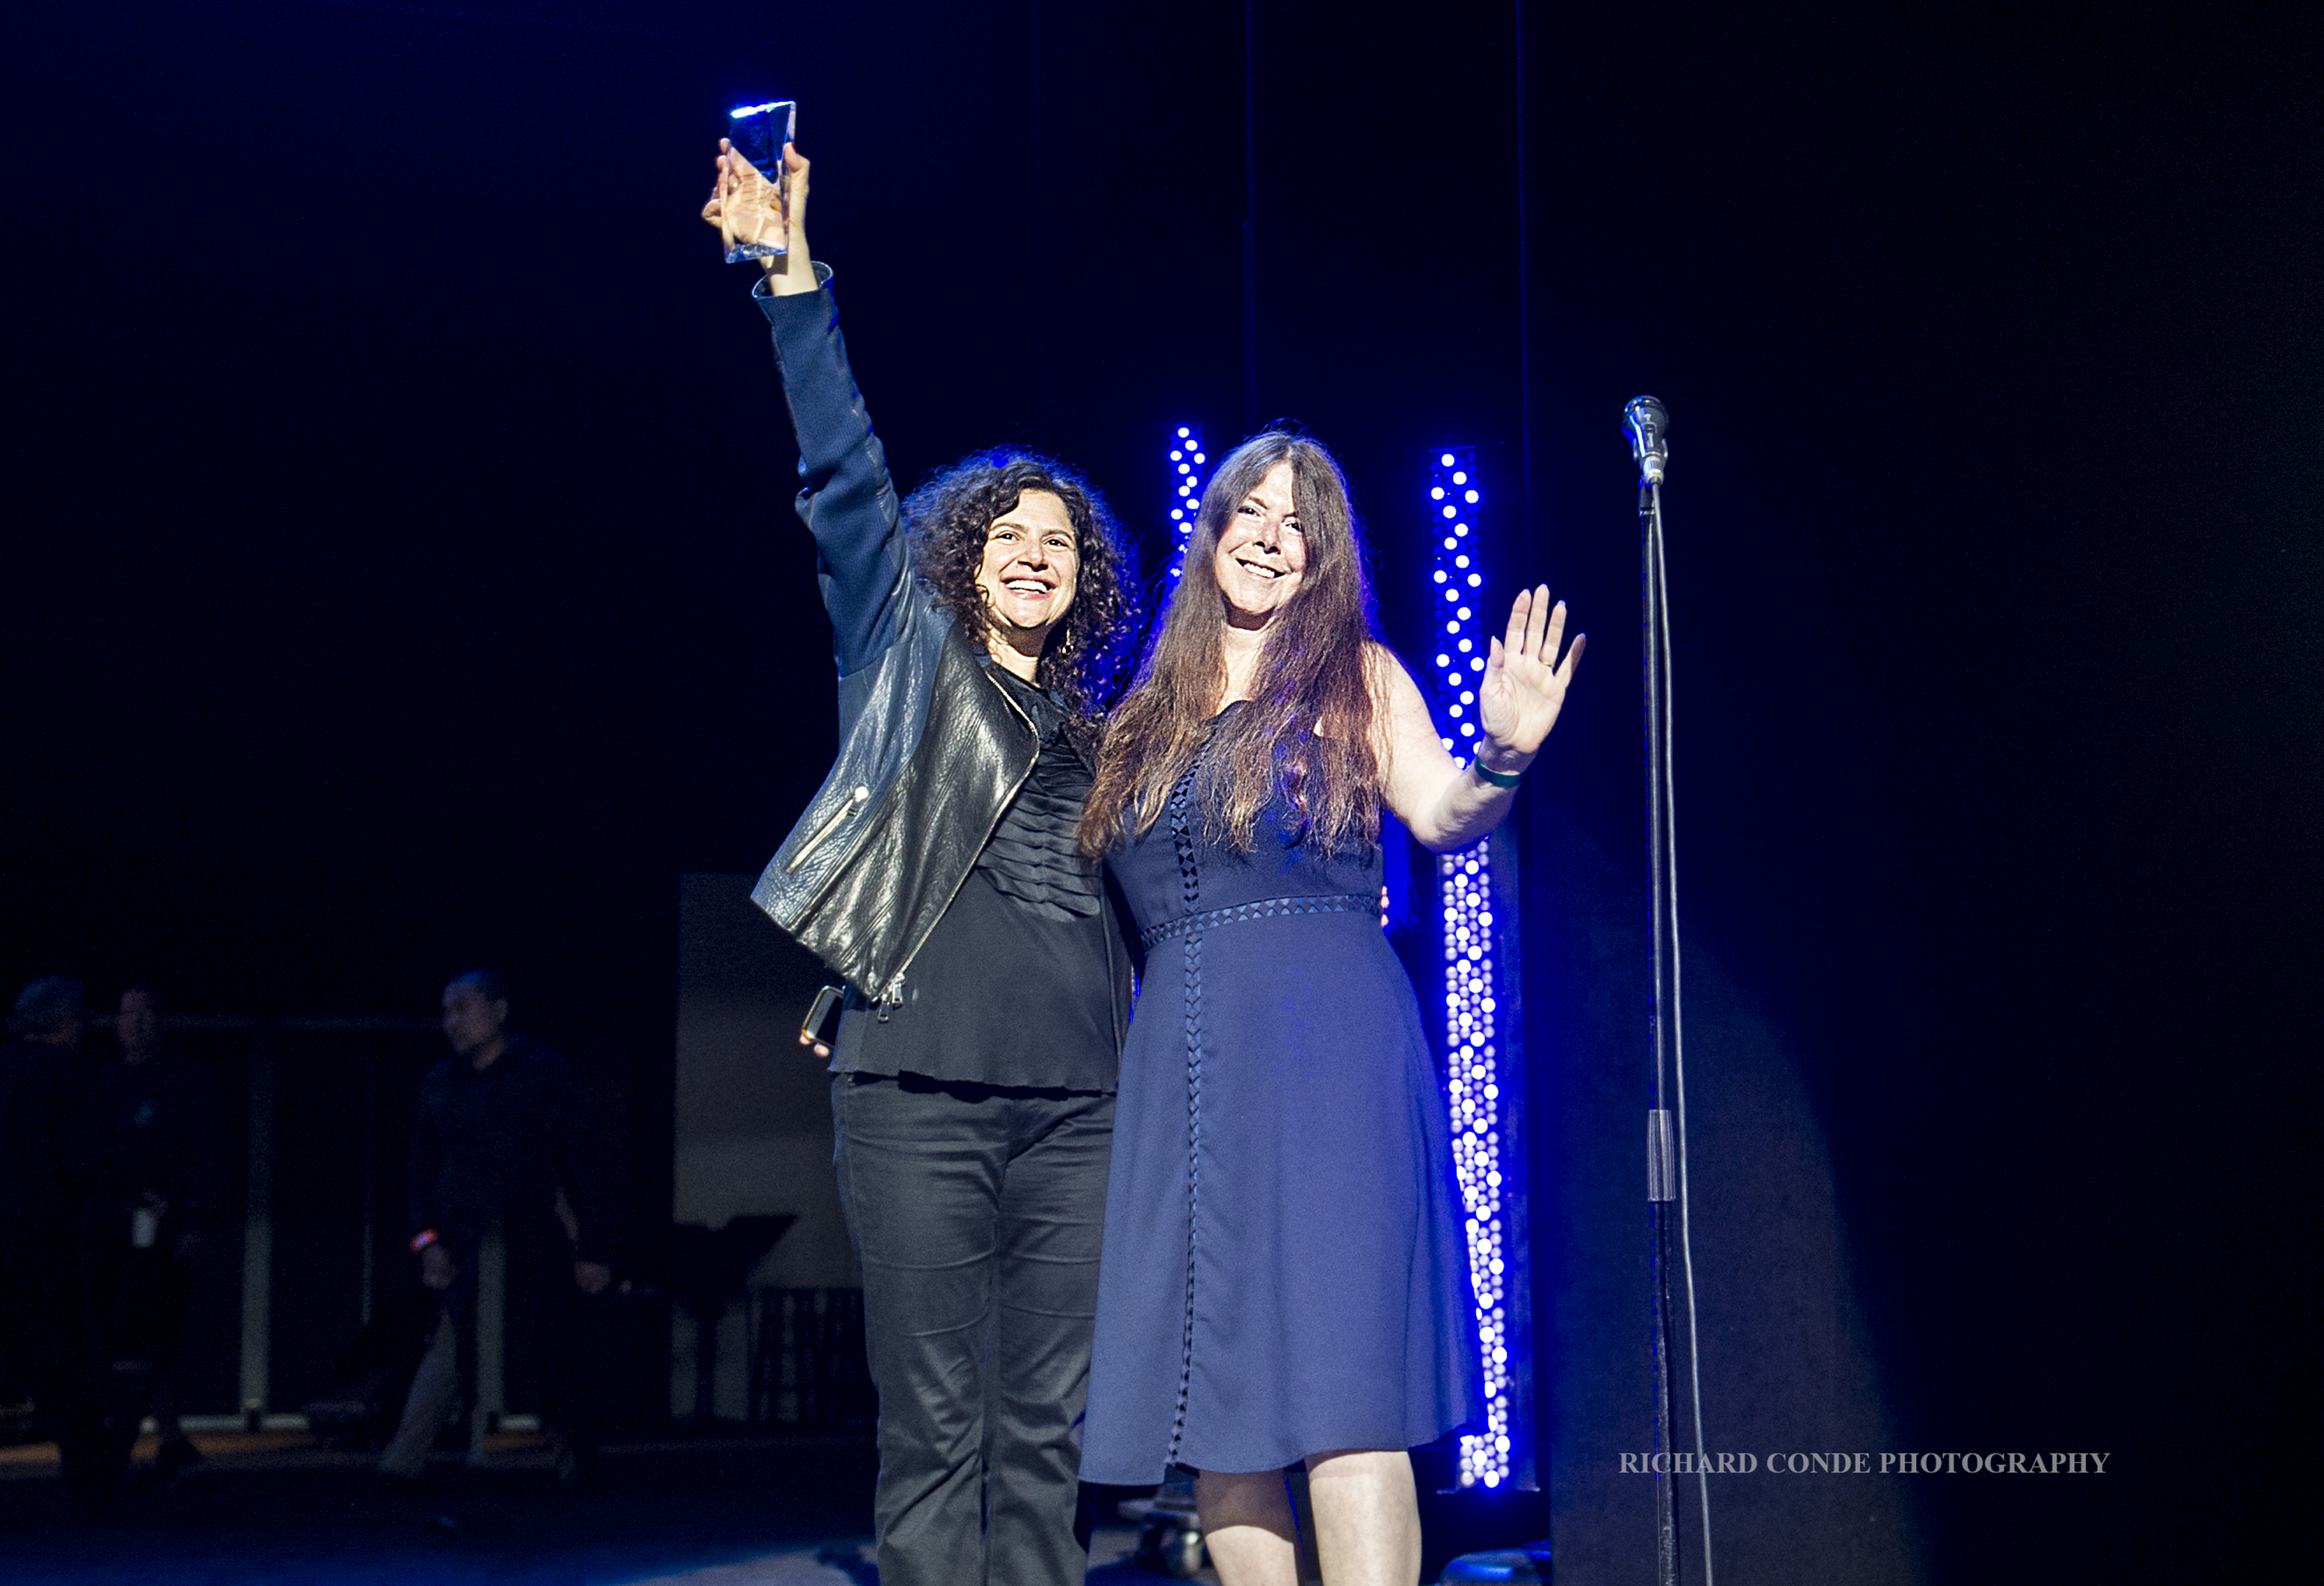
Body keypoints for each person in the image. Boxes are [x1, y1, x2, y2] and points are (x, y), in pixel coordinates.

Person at [699, 140, 1142, 1586]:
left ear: (1088, 579)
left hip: (1080, 1111)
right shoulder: (906, 646)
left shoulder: (1104, 730)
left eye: (1059, 540)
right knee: (936, 1426)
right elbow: (843, 465)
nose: (1033, 552)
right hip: (916, 1098)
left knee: (1047, 1436)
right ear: (959, 555)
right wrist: (793, 278)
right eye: (1006, 533)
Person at [1076, 431, 1584, 1586]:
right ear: (1209, 530)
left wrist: (1500, 758)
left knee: (1346, 1397)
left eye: (1295, 522)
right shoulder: (1141, 713)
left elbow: (1445, 813)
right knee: (1224, 1411)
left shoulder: (1356, 675)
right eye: (1248, 511)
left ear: (1321, 557)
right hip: (1186, 1077)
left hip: (1331, 1060)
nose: (1267, 535)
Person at [385, 971, 611, 1484]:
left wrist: (593, 1247)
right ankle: (403, 1462)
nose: (452, 1022)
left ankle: (572, 1454)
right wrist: (427, 1242)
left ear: (499, 1010)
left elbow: (586, 1160)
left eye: (463, 1007)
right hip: (463, 1238)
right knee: (447, 1345)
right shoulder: (442, 1082)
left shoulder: (542, 1072)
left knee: (548, 1342)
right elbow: (420, 1169)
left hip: (528, 1233)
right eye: (446, 1011)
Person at [81, 985, 223, 1481]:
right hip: (110, 1231)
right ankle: (133, 1437)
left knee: (155, 1333)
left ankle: (164, 1436)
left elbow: (206, 1157)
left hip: (164, 1230)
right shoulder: (103, 1083)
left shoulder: (186, 1082)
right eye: (128, 1015)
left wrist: (193, 1219)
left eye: (147, 1015)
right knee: (115, 1334)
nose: (137, 1025)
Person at [0, 979, 88, 1482]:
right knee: (63, 1358)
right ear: (67, 1023)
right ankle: (87, 1483)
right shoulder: (66, 1073)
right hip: (44, 1235)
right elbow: (87, 1157)